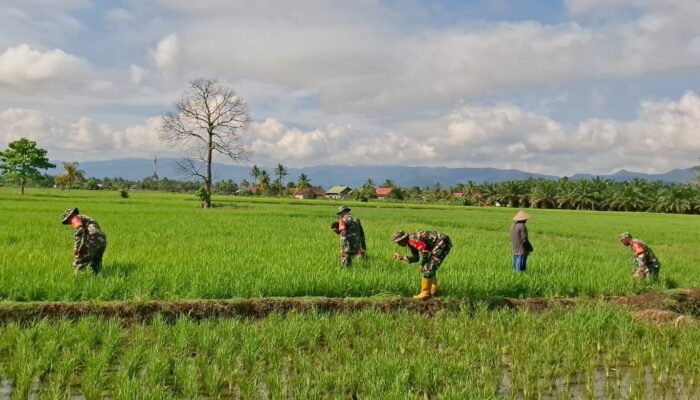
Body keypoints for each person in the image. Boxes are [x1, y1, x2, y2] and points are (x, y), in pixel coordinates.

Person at [392, 230, 452, 300]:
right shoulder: (410, 242)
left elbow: (425, 252)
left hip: (441, 242)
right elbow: (416, 258)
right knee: (429, 266)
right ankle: (433, 289)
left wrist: (422, 264)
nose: (398, 244)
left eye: (399, 241)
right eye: (397, 242)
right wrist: (402, 258)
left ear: (403, 239)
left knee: (428, 267)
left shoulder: (412, 240)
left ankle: (425, 294)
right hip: (439, 243)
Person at [62, 208, 107, 274]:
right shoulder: (87, 219)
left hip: (92, 239)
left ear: (69, 216)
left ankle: (78, 281)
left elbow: (79, 230)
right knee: (96, 262)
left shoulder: (74, 218)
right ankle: (98, 278)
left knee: (79, 264)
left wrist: (77, 247)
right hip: (102, 240)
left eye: (67, 220)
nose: (69, 223)